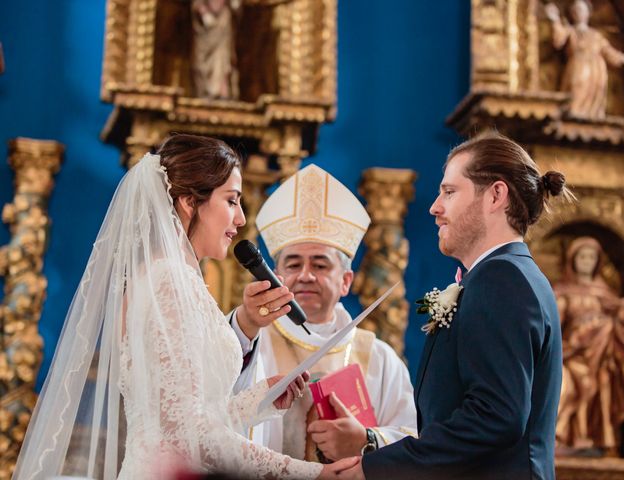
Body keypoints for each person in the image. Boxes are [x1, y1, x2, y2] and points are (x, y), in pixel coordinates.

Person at [13, 134, 358, 479]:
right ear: (190, 203)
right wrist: (309, 474)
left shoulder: (178, 280)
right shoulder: (166, 283)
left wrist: (260, 399)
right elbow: (191, 438)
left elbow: (188, 419)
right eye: (231, 201)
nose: (240, 220)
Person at [340, 132, 573, 479]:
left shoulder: (502, 279)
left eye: (449, 192)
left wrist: (377, 468)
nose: (435, 206)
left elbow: (495, 416)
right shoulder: (510, 275)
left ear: (495, 195)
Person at [230, 164, 417, 462]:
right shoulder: (250, 345)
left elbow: (410, 441)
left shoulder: (380, 358)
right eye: (292, 265)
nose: (305, 275)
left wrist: (366, 440)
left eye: (319, 265)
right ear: (275, 274)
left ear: (346, 281)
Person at [554, 236, 624, 454]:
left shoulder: (604, 292)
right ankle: (561, 439)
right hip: (570, 354)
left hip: (600, 358)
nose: (586, 261)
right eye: (582, 256)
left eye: (591, 257)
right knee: (568, 384)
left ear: (598, 261)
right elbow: (551, 325)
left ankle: (594, 440)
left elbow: (622, 317)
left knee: (600, 382)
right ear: (572, 260)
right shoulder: (562, 291)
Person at [544, 0, 624, 118]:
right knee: (576, 88)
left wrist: (623, 58)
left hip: (597, 70)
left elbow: (608, 51)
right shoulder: (570, 31)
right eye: (576, 10)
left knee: (595, 94)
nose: (579, 13)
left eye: (582, 10)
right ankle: (573, 113)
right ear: (572, 14)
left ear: (588, 13)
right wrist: (555, 19)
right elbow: (558, 40)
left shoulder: (595, 35)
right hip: (578, 66)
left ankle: (592, 115)